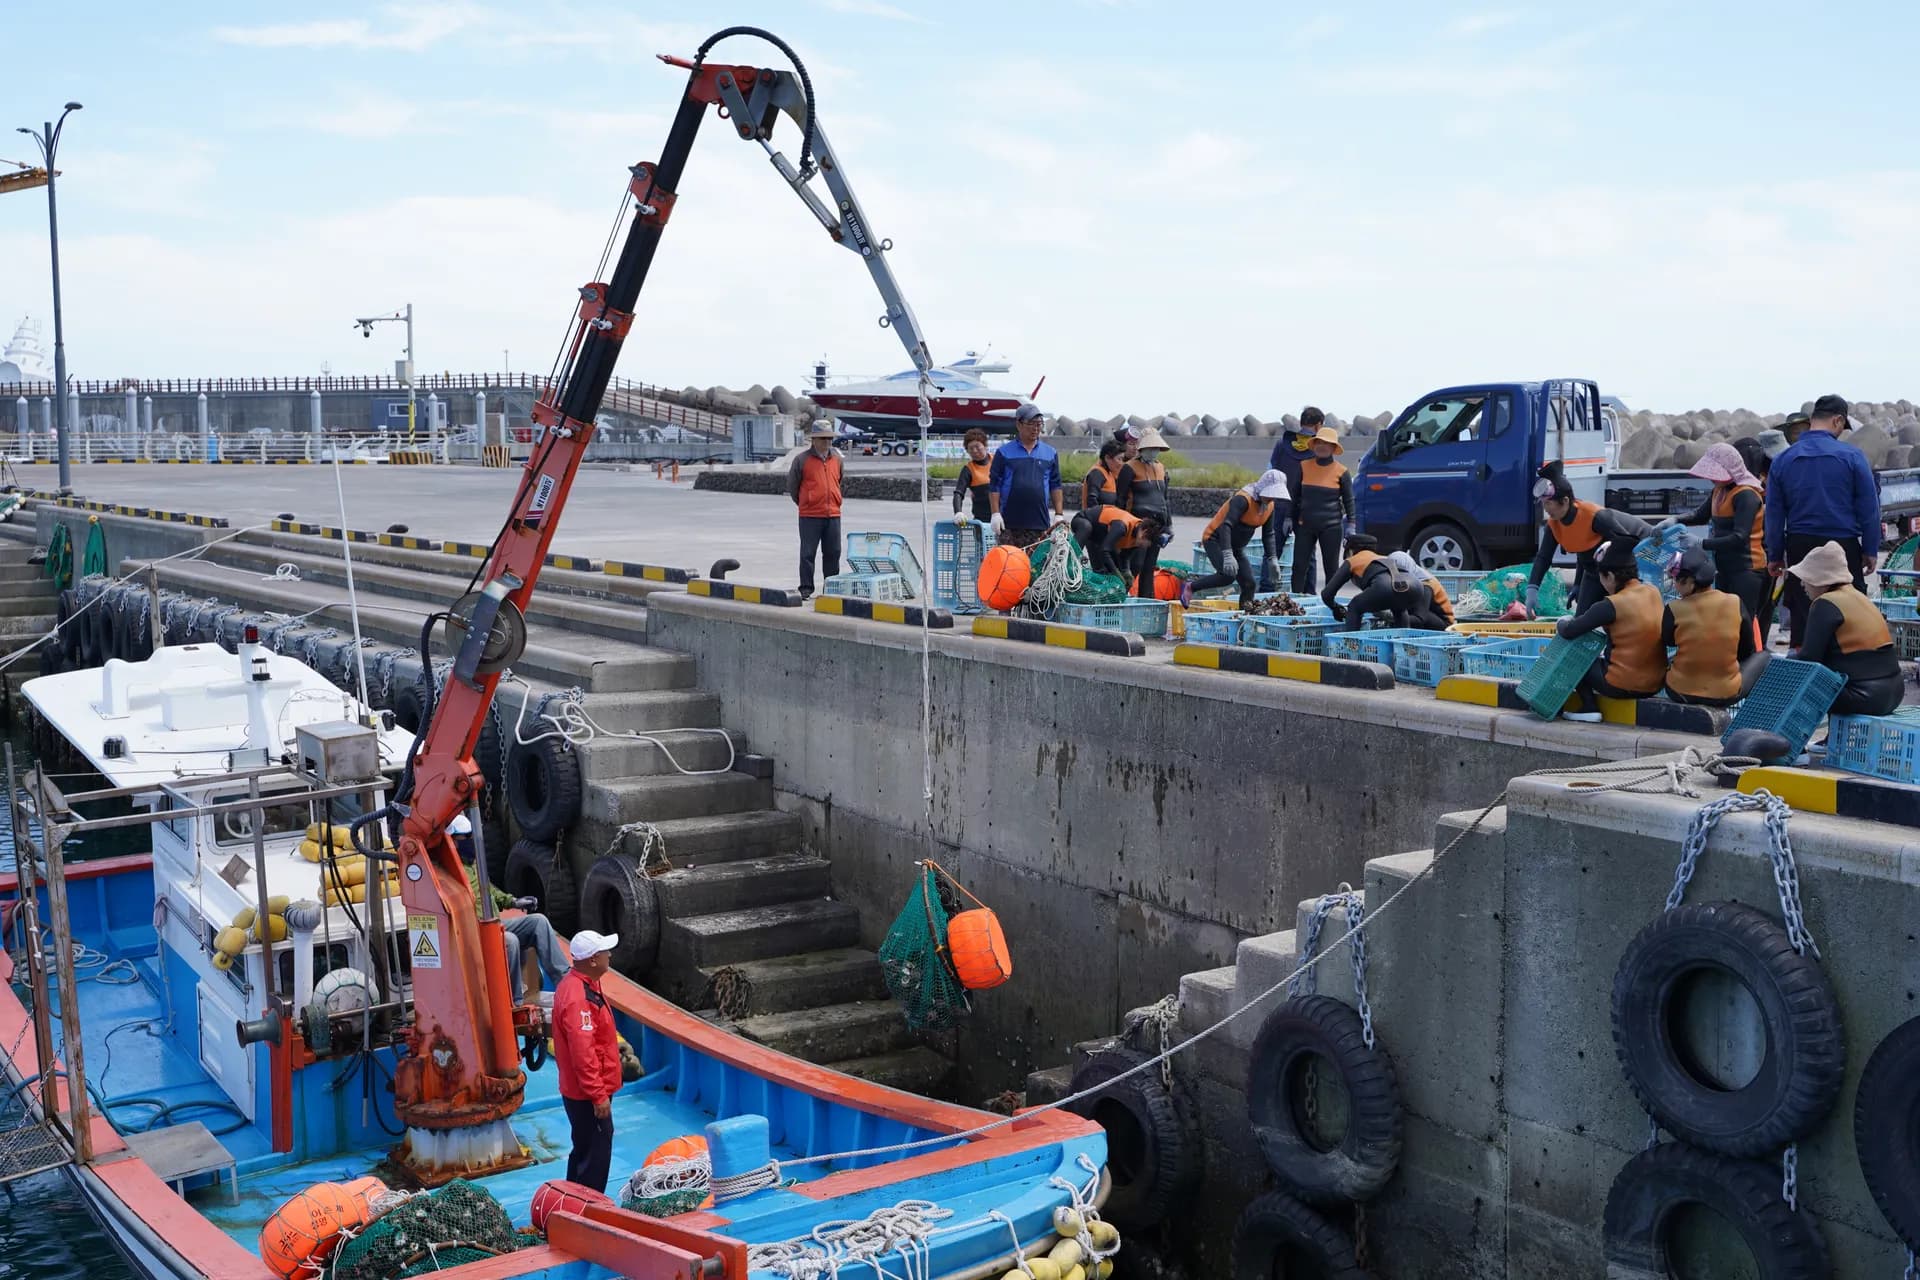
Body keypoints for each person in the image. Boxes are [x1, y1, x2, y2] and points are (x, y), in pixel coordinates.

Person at [1765, 395, 1879, 648]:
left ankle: (1806, 678)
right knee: (1848, 614)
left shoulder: (1784, 459)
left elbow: (1773, 513)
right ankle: (1845, 676)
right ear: (1838, 421)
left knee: (1803, 618)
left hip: (1799, 546)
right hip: (1843, 547)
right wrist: (1870, 549)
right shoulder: (1853, 456)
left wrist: (1775, 554)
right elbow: (1869, 509)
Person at [1555, 539, 1668, 720]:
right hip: (1656, 684)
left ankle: (1588, 707)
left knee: (1575, 653)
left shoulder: (1611, 605)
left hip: (1622, 685)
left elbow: (1569, 630)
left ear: (1610, 576)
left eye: (1601, 576)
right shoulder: (1653, 591)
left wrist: (1561, 622)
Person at [1527, 460, 1655, 615]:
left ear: (1565, 501)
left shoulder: (1595, 517)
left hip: (1633, 555)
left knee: (1622, 615)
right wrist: (1533, 589)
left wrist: (1619, 587)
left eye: (1549, 504)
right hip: (1597, 570)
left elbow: (1626, 543)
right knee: (1582, 618)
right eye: (1543, 504)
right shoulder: (1554, 525)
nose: (1546, 510)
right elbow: (1545, 557)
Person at [1790, 540, 1903, 716]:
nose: (1802, 585)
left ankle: (1793, 740)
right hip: (1894, 693)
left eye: (1806, 579)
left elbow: (1809, 660)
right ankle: (1830, 736)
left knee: (1795, 677)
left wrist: (1779, 663)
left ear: (1820, 580)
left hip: (1865, 696)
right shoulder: (1858, 597)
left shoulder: (1825, 603)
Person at [1666, 442, 1767, 622]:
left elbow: (1739, 537)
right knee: (1723, 619)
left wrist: (1700, 543)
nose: (1712, 479)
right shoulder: (1718, 490)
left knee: (1742, 620)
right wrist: (1675, 520)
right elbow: (1700, 515)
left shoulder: (1746, 495)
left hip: (1746, 569)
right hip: (1723, 567)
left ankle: (1750, 651)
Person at [554, 929, 622, 1193]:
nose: (610, 955)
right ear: (593, 960)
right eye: (605, 951)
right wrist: (598, 1096)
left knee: (584, 1149)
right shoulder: (578, 998)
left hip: (583, 1091)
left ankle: (572, 1204)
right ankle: (588, 1209)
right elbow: (583, 1052)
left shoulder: (582, 985)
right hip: (587, 1094)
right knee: (595, 1154)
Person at [1661, 549, 1764, 707]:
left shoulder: (1673, 608)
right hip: (1726, 694)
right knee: (1763, 657)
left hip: (1678, 691)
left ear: (1690, 582)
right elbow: (1746, 650)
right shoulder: (1735, 602)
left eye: (1677, 580)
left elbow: (1669, 641)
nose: (1675, 584)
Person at [1186, 469, 1289, 610]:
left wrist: (1272, 559)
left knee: (1249, 584)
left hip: (1237, 546)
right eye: (1270, 494)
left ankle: (1244, 620)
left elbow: (1269, 534)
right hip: (1215, 539)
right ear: (1263, 488)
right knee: (1227, 575)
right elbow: (1226, 526)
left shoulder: (1269, 506)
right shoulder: (1243, 499)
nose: (1272, 498)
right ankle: (1191, 586)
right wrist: (1228, 555)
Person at [988, 404, 1064, 550]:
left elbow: (1055, 484)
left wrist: (1059, 515)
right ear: (1018, 424)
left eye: (1039, 424)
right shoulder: (1004, 452)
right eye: (1031, 424)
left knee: (1036, 568)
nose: (1036, 428)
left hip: (1039, 523)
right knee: (1009, 566)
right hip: (1009, 523)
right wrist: (995, 513)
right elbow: (994, 485)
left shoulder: (1050, 453)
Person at [1293, 425, 1353, 596]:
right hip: (1306, 525)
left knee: (1331, 569)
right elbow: (1295, 495)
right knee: (1298, 566)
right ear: (1314, 444)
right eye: (1319, 442)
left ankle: (1329, 602)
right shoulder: (1303, 466)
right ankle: (1295, 600)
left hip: (1331, 526)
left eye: (1326, 443)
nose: (1322, 446)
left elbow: (1349, 500)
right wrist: (1290, 519)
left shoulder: (1342, 471)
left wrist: (1352, 524)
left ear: (1333, 448)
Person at [1116, 424, 1175, 598]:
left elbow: (1165, 499)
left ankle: (1146, 599)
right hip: (1138, 523)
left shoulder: (1160, 468)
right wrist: (1122, 525)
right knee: (1136, 564)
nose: (1154, 452)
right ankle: (1119, 596)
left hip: (1158, 524)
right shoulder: (1129, 468)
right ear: (1143, 449)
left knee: (1149, 566)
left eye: (1156, 448)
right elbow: (1120, 499)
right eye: (1151, 448)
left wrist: (1169, 525)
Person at [1324, 534, 1428, 631]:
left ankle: (1350, 646)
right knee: (1399, 608)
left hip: (1384, 587)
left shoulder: (1352, 560)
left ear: (1351, 551)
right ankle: (1403, 644)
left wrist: (1335, 607)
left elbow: (1327, 594)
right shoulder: (1384, 557)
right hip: (1416, 586)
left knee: (1354, 606)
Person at [788, 422, 844, 600]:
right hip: (810, 515)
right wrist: (808, 502)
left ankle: (831, 588)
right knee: (807, 554)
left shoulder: (837, 459)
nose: (828, 442)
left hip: (833, 514)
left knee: (833, 552)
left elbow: (839, 480)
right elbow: (793, 487)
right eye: (823, 438)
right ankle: (806, 588)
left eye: (830, 438)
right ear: (814, 440)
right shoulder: (801, 460)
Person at [1269, 408, 1321, 592]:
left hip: (1280, 504)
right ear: (1318, 425)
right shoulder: (1317, 448)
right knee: (1308, 556)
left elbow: (1271, 471)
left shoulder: (1282, 445)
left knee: (1273, 552)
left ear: (1301, 423)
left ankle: (1264, 593)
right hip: (1304, 509)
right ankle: (1307, 595)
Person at [1388, 550, 1454, 629]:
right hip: (1420, 611)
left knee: (1403, 612)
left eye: (1400, 572)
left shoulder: (1425, 585)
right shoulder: (1406, 576)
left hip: (1443, 624)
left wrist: (1391, 617)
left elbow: (1419, 619)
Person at [951, 428, 994, 522]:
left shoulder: (997, 461)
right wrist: (958, 512)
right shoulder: (968, 469)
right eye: (970, 448)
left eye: (977, 447)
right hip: (982, 520)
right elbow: (958, 493)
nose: (974, 451)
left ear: (985, 445)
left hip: (1003, 516)